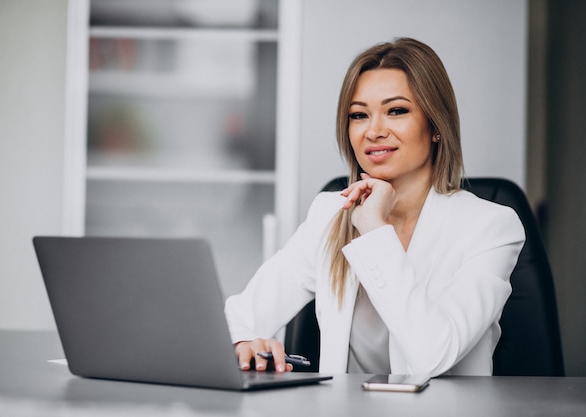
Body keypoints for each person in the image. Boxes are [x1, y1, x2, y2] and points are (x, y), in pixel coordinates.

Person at [224, 37, 525, 377]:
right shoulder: (330, 214)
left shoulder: (491, 226)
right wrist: (243, 342)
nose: (374, 130)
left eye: (396, 111)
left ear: (436, 126)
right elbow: (239, 316)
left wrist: (375, 229)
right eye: (358, 115)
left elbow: (434, 356)